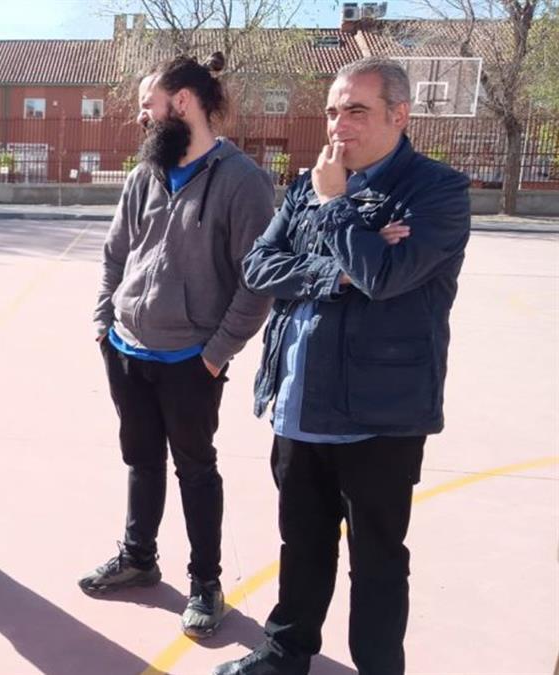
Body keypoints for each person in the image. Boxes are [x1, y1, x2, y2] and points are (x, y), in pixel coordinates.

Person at [214, 57, 471, 675]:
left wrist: (336, 205)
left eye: (356, 110)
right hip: (299, 402)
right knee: (301, 541)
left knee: (377, 558)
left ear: (399, 114)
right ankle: (286, 652)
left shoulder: (436, 191)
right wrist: (339, 271)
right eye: (333, 111)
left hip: (379, 416)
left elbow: (385, 277)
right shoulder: (310, 183)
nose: (338, 125)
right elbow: (258, 266)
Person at [83, 53, 274, 639]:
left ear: (183, 102)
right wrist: (104, 324)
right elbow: (116, 253)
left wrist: (215, 353)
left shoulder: (242, 181)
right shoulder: (146, 174)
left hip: (191, 359)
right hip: (127, 349)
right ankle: (139, 557)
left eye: (150, 104)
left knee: (195, 468)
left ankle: (205, 584)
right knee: (140, 459)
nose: (142, 116)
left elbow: (257, 282)